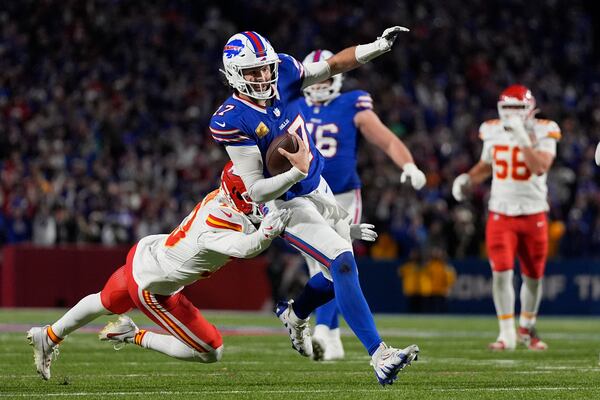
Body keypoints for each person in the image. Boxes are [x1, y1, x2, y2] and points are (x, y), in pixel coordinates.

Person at [211, 28, 419, 385]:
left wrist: (377, 47)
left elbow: (334, 64)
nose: (263, 77)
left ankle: (295, 314)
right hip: (284, 202)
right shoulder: (230, 119)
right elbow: (258, 191)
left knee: (329, 275)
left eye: (265, 68)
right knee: (342, 259)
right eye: (252, 72)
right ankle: (379, 355)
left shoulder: (287, 72)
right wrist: (295, 172)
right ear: (233, 73)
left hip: (317, 185)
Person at [26, 162, 292, 380]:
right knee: (212, 351)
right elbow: (248, 248)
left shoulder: (223, 198)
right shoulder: (218, 224)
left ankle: (48, 335)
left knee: (105, 300)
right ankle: (135, 335)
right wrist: (267, 232)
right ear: (241, 196)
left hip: (147, 257)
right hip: (155, 286)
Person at [296, 49, 426, 361]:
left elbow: (387, 139)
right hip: (304, 195)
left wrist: (408, 165)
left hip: (340, 197)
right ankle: (332, 335)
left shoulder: (352, 103)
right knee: (320, 266)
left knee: (334, 262)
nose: (320, 82)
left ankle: (324, 333)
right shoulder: (291, 104)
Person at [452, 84, 561, 351]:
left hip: (534, 212)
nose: (511, 115)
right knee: (501, 274)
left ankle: (527, 326)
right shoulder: (491, 130)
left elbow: (539, 167)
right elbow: (486, 165)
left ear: (530, 109)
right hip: (501, 211)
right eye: (507, 109)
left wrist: (524, 138)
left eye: (517, 109)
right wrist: (467, 178)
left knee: (533, 277)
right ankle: (506, 333)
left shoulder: (545, 129)